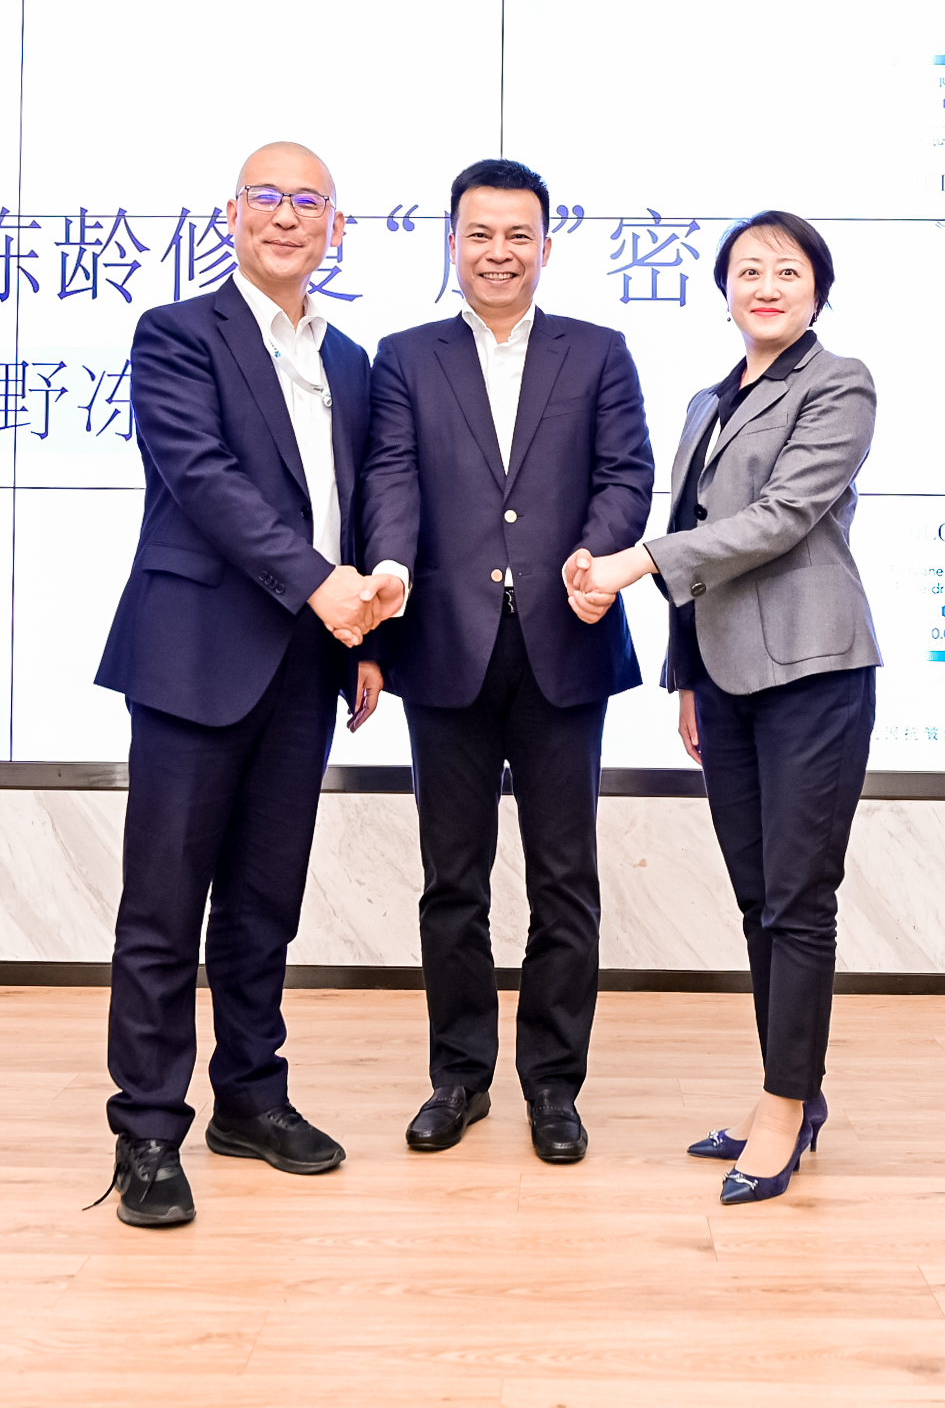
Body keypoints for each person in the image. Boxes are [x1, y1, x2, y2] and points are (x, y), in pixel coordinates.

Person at [89, 141, 396, 1228]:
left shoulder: (351, 360)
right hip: (193, 654)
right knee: (165, 906)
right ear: (231, 215)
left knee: (266, 902)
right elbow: (204, 480)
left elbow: (356, 504)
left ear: (336, 229)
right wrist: (321, 585)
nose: (286, 216)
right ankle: (146, 1130)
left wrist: (365, 639)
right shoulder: (178, 334)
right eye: (266, 196)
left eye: (308, 201)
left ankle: (251, 1099)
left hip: (308, 662)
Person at [564, 210, 878, 1206]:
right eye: (748, 271)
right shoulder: (709, 399)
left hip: (813, 672)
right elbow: (694, 526)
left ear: (818, 290)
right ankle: (791, 1088)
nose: (767, 286)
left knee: (798, 898)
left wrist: (635, 562)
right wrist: (686, 673)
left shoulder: (839, 383)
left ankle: (785, 1106)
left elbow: (779, 520)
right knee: (757, 899)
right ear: (725, 291)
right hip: (727, 678)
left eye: (787, 270)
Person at [360, 158, 655, 1164]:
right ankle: (459, 1075)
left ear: (545, 245)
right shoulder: (406, 357)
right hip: (443, 644)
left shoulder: (598, 352)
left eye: (517, 235)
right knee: (454, 880)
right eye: (479, 234)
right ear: (452, 242)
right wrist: (388, 572)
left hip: (564, 641)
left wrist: (598, 554)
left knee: (564, 879)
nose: (498, 252)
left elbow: (626, 476)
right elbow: (390, 478)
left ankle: (553, 1085)